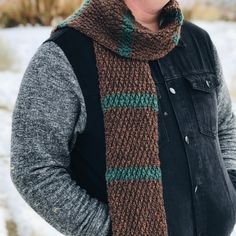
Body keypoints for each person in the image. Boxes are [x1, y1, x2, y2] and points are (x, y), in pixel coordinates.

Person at [10, 0, 236, 235]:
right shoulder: (66, 54)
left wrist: (229, 188)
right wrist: (113, 229)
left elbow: (224, 126)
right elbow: (33, 168)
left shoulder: (198, 41)